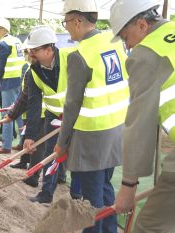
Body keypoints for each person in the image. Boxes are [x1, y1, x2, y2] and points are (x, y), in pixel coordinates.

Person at [53, 0, 129, 232]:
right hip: (117, 128)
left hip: (92, 137)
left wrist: (62, 144)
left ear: (77, 21)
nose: (66, 27)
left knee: (90, 201)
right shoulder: (113, 41)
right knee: (105, 188)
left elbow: (72, 105)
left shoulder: (79, 55)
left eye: (66, 22)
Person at [110, 1, 175, 232]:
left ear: (141, 25)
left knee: (148, 227)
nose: (127, 46)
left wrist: (128, 185)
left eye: (125, 37)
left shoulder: (146, 55)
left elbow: (140, 124)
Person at [22, 26, 73, 203]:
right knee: (51, 154)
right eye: (30, 50)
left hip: (78, 117)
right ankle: (46, 194)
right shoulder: (34, 72)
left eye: (34, 50)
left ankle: (77, 197)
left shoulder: (70, 59)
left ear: (49, 50)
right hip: (53, 117)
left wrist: (72, 114)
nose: (30, 54)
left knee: (78, 157)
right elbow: (34, 105)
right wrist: (30, 136)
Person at [5, 47, 45, 187]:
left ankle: (33, 177)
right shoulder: (32, 69)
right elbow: (24, 94)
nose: (29, 55)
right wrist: (13, 112)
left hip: (41, 112)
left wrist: (13, 113)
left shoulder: (35, 71)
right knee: (29, 140)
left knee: (36, 145)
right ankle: (24, 162)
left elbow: (26, 95)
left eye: (30, 52)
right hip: (34, 110)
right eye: (28, 52)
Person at [0, 17, 24, 154]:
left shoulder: (3, 44)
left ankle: (6, 145)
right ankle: (23, 142)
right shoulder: (16, 41)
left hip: (9, 81)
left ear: (5, 30)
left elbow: (0, 69)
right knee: (18, 111)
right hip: (20, 80)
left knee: (6, 113)